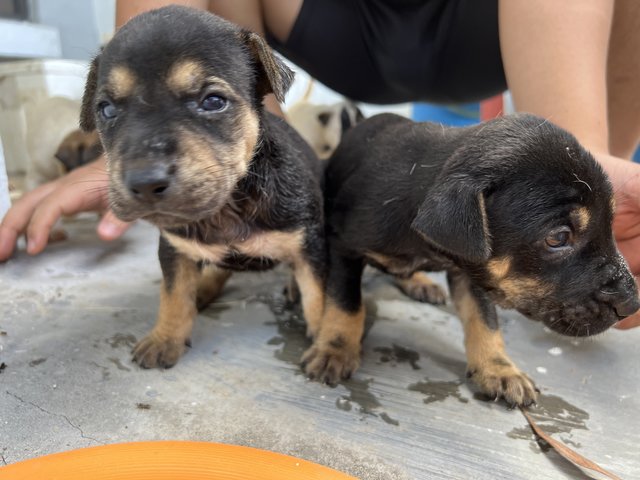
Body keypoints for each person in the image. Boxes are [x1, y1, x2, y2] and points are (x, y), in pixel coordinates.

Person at [1, 0, 639, 329]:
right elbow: (150, 42)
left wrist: (585, 190)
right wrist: (123, 151)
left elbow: (571, 158)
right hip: (329, 34)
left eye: (210, 98)